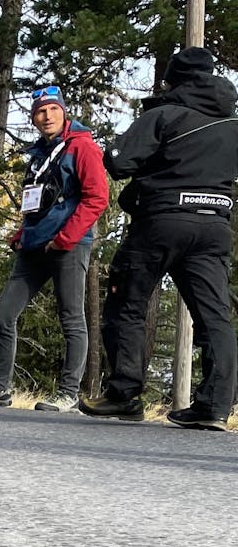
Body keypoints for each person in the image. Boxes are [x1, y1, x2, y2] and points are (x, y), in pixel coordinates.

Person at [81, 47, 238, 429]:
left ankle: (124, 394)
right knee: (214, 316)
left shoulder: (163, 114)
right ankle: (215, 407)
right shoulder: (233, 125)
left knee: (127, 304)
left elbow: (118, 162)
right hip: (215, 222)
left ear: (173, 79)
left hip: (162, 221)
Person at [0, 88, 107, 411]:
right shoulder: (38, 153)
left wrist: (66, 238)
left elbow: (97, 198)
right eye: (41, 111)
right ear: (33, 118)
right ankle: (0, 388)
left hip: (69, 246)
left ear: (64, 112)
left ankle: (68, 393)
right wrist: (21, 232)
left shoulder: (83, 147)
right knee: (3, 313)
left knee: (71, 318)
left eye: (53, 109)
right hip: (34, 245)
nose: (47, 116)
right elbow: (37, 201)